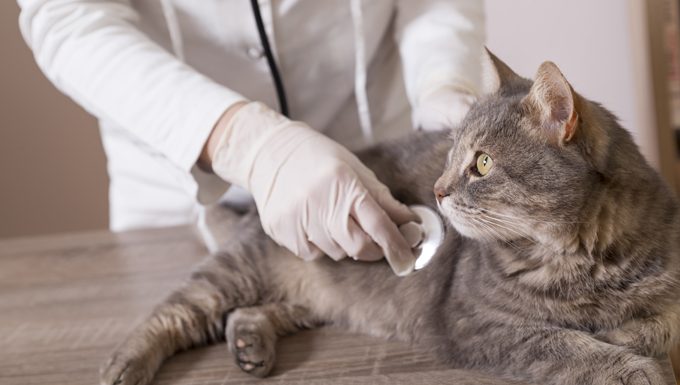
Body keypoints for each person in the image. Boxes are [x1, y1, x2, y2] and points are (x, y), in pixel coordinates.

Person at [18, 0, 485, 275]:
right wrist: (250, 146)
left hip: (386, 170)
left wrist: (444, 79)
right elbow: (68, 19)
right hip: (175, 178)